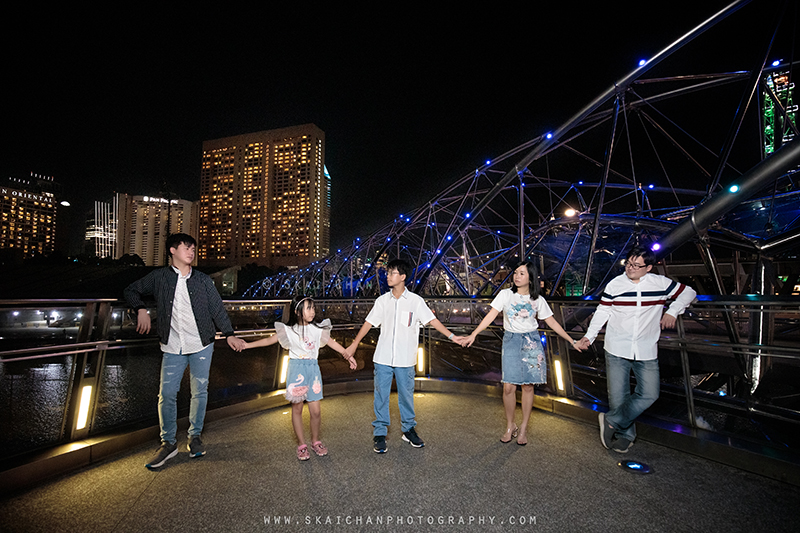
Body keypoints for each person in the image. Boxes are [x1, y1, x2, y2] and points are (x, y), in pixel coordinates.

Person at [124, 233, 247, 469]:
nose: (191, 252)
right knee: (167, 394)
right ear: (172, 250)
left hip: (202, 343)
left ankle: (195, 436)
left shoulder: (202, 280)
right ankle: (168, 443)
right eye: (186, 248)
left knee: (199, 391)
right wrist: (141, 309)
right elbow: (131, 290)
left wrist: (229, 334)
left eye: (193, 249)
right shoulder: (159, 277)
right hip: (172, 346)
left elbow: (217, 309)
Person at [575, 246, 696, 453]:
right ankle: (626, 435)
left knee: (649, 393)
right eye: (628, 263)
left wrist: (673, 311)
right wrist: (589, 336)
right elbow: (603, 311)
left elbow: (689, 293)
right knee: (618, 398)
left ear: (648, 267)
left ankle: (611, 420)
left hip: (646, 348)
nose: (630, 268)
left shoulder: (661, 284)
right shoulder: (615, 285)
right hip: (616, 347)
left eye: (636, 265)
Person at [344, 259, 464, 453]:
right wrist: (354, 344)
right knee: (381, 396)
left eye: (392, 273)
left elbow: (432, 321)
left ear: (403, 277)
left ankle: (408, 430)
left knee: (406, 396)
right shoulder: (382, 301)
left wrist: (452, 336)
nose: (388, 276)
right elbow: (368, 323)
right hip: (382, 357)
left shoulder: (415, 301)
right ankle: (380, 433)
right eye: (388, 273)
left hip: (405, 358)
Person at [461, 261, 582, 445]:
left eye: (522, 273)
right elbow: (491, 315)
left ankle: (524, 427)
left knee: (528, 386)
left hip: (531, 342)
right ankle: (511, 426)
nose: (517, 276)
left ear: (531, 277)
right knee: (508, 387)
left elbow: (553, 322)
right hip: (511, 341)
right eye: (516, 272)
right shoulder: (505, 295)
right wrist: (474, 334)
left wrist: (572, 340)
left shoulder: (538, 300)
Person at [240, 295, 356, 461]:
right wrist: (247, 345)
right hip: (296, 371)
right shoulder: (288, 330)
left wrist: (348, 356)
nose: (313, 311)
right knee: (297, 409)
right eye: (308, 308)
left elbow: (333, 343)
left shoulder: (317, 330)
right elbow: (268, 340)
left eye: (313, 308)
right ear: (297, 311)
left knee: (316, 411)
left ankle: (316, 441)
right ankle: (302, 445)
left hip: (313, 371)